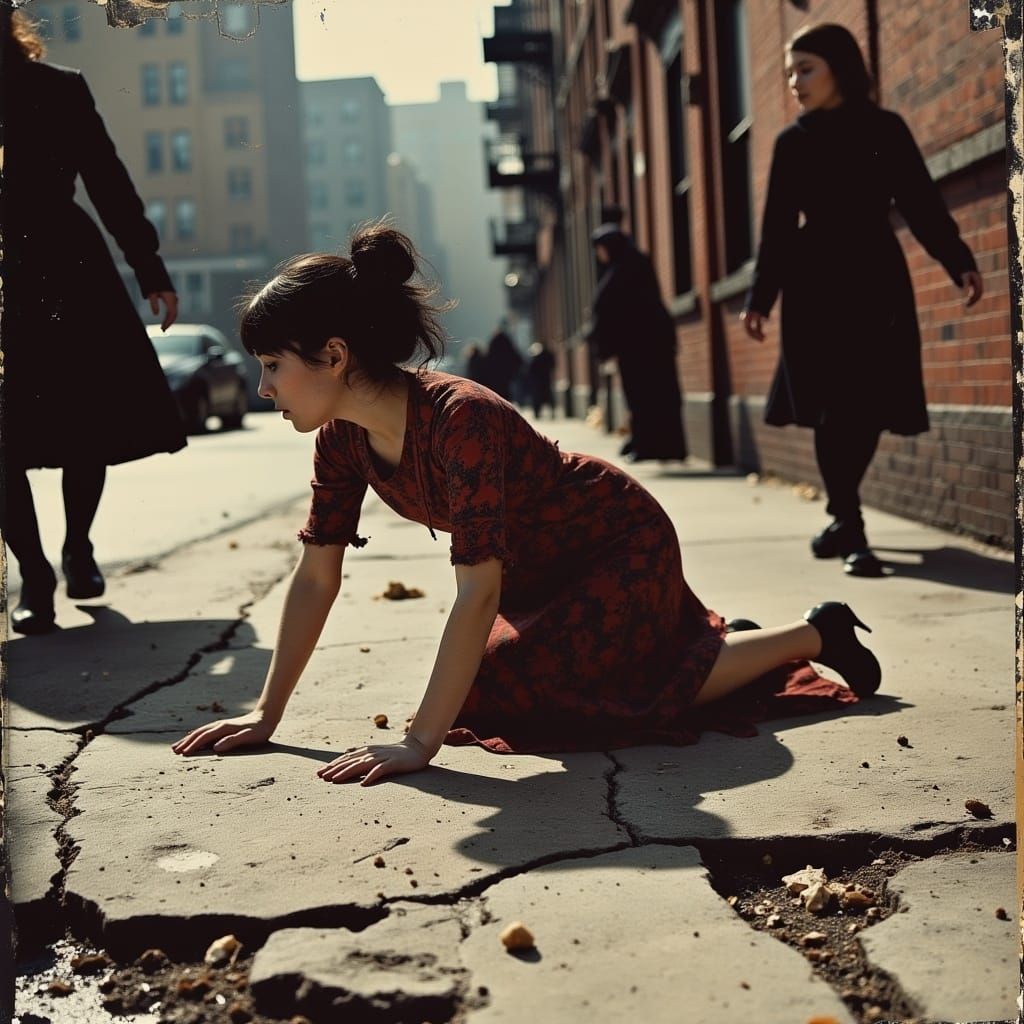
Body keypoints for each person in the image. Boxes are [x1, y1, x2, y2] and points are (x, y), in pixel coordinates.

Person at [172, 224, 881, 785]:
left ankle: (808, 636)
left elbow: (478, 592)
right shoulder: (340, 441)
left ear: (333, 355)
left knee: (563, 699)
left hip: (614, 544)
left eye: (272, 367)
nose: (264, 389)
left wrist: (420, 743)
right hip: (539, 575)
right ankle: (711, 650)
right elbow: (316, 576)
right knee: (490, 692)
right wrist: (267, 713)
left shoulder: (460, 419)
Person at [740, 23, 983, 577]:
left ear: (839, 68)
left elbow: (921, 203)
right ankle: (851, 523)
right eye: (789, 71)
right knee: (831, 407)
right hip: (812, 286)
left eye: (806, 68)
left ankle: (838, 513)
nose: (794, 82)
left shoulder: (885, 129)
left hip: (876, 280)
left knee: (869, 405)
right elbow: (776, 228)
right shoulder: (792, 142)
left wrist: (959, 260)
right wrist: (760, 298)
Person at [2, 10, 186, 634]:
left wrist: (149, 266)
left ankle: (77, 547)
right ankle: (34, 573)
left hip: (64, 264)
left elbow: (107, 177)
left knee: (84, 422)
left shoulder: (59, 88)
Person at [587, 225, 688, 463]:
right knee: (648, 396)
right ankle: (650, 444)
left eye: (601, 249)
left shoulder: (628, 267)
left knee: (646, 396)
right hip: (643, 345)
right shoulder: (627, 265)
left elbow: (612, 305)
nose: (599, 255)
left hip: (644, 346)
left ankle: (652, 445)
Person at [483, 326, 523, 403]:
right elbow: (518, 360)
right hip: (506, 377)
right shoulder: (507, 344)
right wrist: (513, 372)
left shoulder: (493, 344)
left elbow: (486, 361)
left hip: (494, 378)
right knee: (505, 396)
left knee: (496, 397)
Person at [524, 341, 556, 418]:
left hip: (538, 380)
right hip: (544, 379)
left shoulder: (534, 357)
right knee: (546, 396)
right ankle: (550, 412)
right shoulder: (547, 355)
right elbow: (552, 365)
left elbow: (529, 369)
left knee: (538, 397)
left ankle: (538, 413)